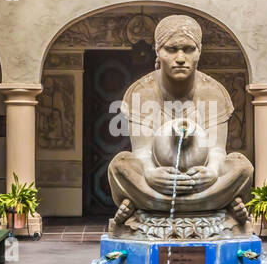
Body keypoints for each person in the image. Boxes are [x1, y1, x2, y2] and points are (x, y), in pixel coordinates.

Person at [107, 15, 253, 229]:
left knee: (242, 167)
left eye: (188, 49)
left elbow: (217, 151)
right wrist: (149, 173)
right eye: (171, 49)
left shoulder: (214, 92)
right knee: (119, 166)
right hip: (159, 179)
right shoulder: (141, 91)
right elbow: (142, 151)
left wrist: (212, 172)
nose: (181, 58)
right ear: (158, 51)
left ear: (199, 51)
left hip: (201, 178)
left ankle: (143, 204)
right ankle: (216, 205)